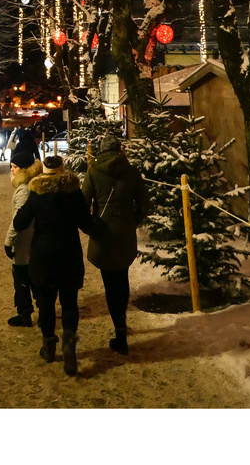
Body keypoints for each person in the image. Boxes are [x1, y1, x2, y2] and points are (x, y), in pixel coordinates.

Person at [13, 155, 93, 376]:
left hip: (43, 254)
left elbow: (19, 222)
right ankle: (69, 344)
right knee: (69, 302)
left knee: (46, 302)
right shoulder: (74, 193)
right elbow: (86, 223)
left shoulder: (36, 193)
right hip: (69, 252)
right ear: (62, 169)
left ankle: (49, 345)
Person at [81, 133, 151, 355]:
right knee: (122, 277)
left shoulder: (93, 170)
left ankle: (119, 330)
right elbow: (145, 203)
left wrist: (91, 224)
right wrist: (132, 221)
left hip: (103, 232)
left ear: (101, 150)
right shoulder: (131, 171)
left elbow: (83, 203)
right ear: (120, 149)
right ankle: (121, 327)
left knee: (110, 281)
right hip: (124, 232)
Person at [3, 151, 44, 326]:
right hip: (32, 242)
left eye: (15, 167)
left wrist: (8, 241)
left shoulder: (24, 190)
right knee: (35, 279)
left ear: (24, 170)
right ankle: (42, 312)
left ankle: (25, 314)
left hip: (24, 243)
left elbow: (18, 220)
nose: (12, 170)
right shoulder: (32, 185)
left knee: (22, 279)